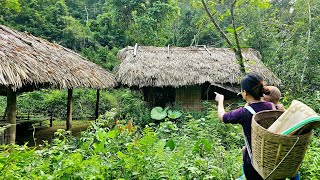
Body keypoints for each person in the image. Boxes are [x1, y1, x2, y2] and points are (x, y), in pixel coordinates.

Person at [214, 73, 274, 180]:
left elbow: (223, 116)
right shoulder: (271, 106)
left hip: (254, 164)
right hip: (272, 159)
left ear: (245, 93)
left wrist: (220, 101)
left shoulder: (243, 113)